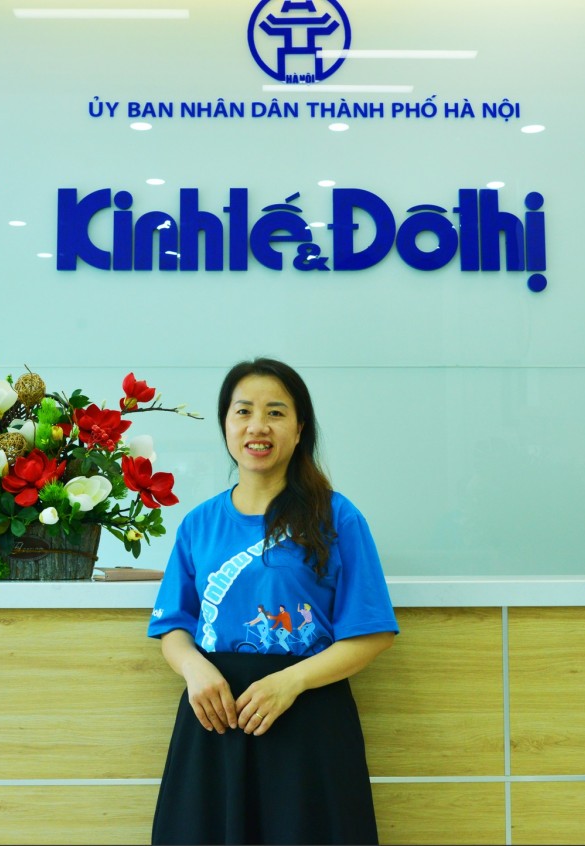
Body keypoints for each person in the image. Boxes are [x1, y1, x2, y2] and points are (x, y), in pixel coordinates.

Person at [147, 357, 399, 845]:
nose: (257, 426)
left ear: (300, 429)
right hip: (215, 721)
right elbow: (173, 626)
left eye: (276, 412)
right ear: (226, 424)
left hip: (308, 719)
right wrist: (194, 670)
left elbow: (373, 633)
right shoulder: (198, 524)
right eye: (243, 411)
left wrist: (290, 682)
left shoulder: (338, 518)